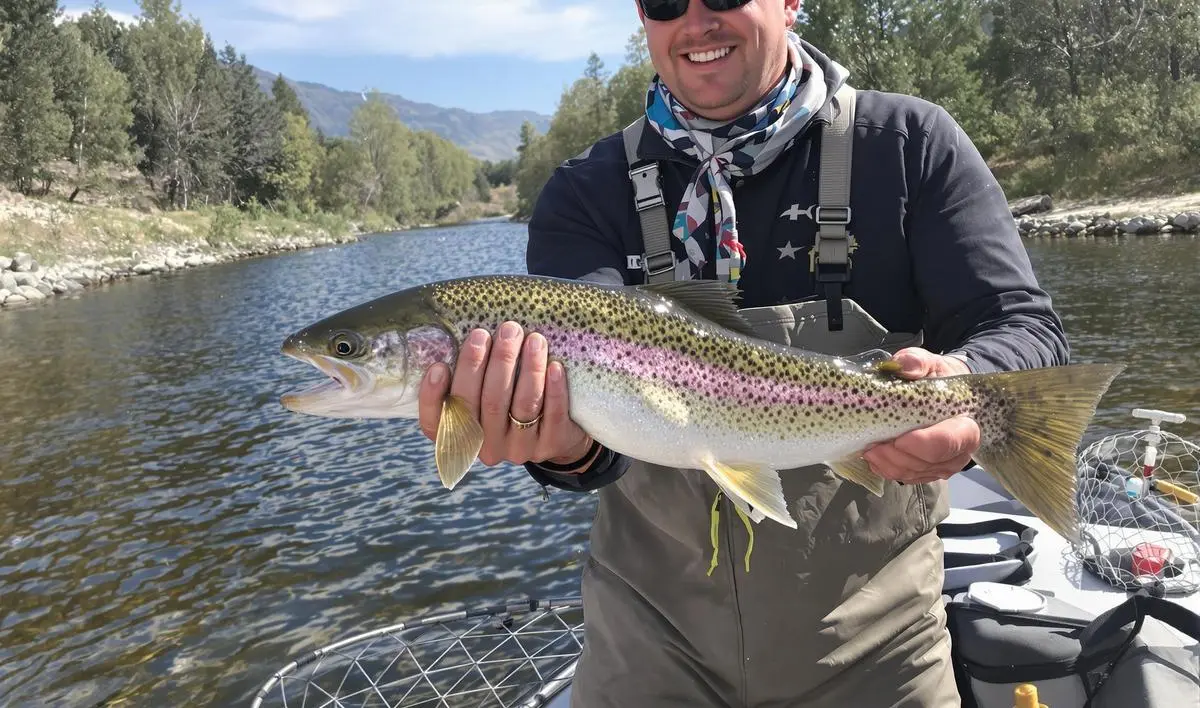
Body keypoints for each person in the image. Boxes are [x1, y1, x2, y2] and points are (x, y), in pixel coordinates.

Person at [418, 0, 1070, 705]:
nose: (696, 23)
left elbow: (1022, 327)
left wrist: (967, 390)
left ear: (791, 3)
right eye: (666, 2)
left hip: (879, 649)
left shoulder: (909, 144)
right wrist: (557, 446)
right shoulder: (586, 191)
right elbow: (597, 447)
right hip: (647, 650)